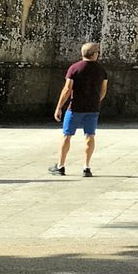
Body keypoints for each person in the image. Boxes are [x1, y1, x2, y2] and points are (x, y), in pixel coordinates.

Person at [50, 41, 109, 178]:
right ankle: (86, 167)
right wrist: (96, 100)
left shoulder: (74, 68)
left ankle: (61, 165)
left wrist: (59, 107)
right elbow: (103, 90)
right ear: (94, 55)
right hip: (92, 108)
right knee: (90, 136)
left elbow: (67, 89)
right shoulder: (101, 70)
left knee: (67, 135)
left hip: (75, 107)